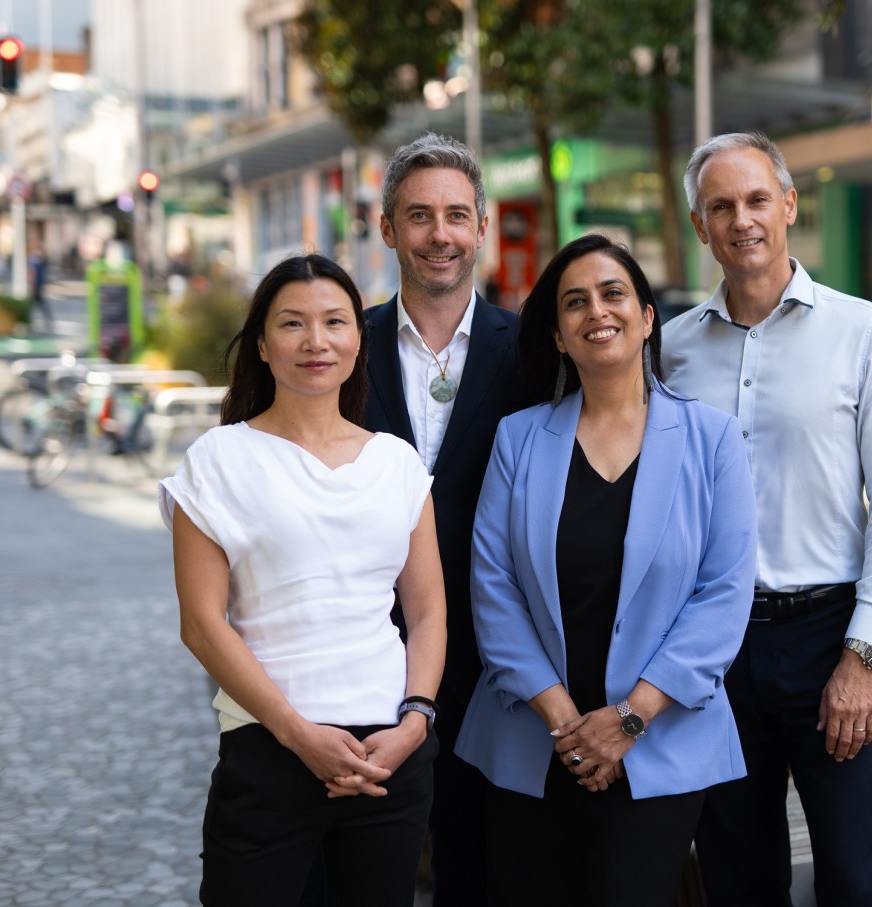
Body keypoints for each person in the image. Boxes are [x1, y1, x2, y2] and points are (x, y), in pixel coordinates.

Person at [455, 234, 758, 906]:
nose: (597, 310)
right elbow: (493, 586)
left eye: (613, 293)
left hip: (660, 741)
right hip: (532, 739)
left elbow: (724, 593)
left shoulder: (713, 439)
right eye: (575, 302)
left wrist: (627, 720)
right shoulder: (518, 437)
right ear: (559, 336)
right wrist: (568, 726)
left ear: (647, 318)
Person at [661, 132, 872, 906]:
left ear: (789, 207)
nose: (741, 220)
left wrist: (863, 656)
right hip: (715, 644)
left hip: (829, 638)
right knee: (737, 880)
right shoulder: (670, 349)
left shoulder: (866, 331)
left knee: (857, 880)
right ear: (700, 226)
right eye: (720, 207)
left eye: (756, 200)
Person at [158, 254, 447, 905]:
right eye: (292, 323)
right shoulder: (218, 458)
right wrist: (296, 733)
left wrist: (416, 722)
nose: (316, 341)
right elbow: (201, 624)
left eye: (334, 322)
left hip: (389, 755)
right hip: (270, 749)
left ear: (358, 339)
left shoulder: (396, 462)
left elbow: (428, 609)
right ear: (262, 344)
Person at [363, 132, 525, 905]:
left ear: (482, 227)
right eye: (419, 215)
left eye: (457, 215)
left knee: (477, 863)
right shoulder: (341, 346)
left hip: (495, 651)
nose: (440, 234)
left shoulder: (531, 351)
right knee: (362, 861)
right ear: (387, 227)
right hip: (362, 643)